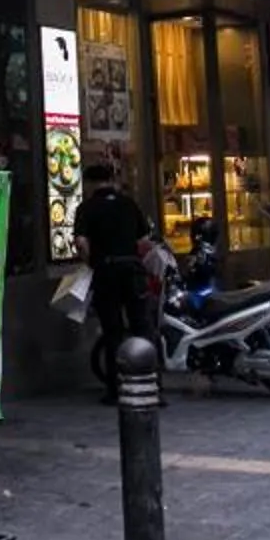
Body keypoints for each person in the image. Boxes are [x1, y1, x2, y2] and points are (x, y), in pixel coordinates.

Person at [75, 155, 154, 387]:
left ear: (89, 183)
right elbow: (145, 241)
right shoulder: (128, 203)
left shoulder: (87, 207)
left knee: (112, 330)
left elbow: (81, 243)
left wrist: (90, 262)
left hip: (106, 272)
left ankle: (115, 387)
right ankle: (151, 383)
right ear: (111, 181)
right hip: (132, 269)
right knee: (142, 326)